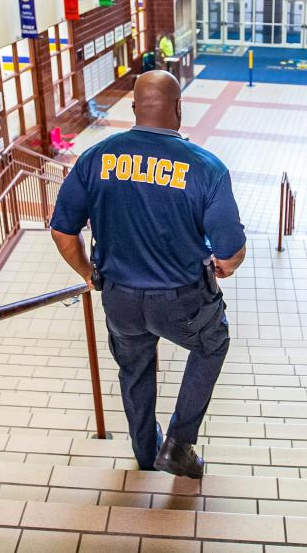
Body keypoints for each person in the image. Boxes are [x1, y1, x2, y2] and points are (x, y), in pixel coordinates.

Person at [49, 70, 246, 478]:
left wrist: (90, 273)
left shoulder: (93, 159)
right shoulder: (206, 168)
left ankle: (145, 452)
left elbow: (63, 231)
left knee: (134, 368)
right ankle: (178, 444)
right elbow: (230, 251)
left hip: (119, 296)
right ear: (179, 109)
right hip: (183, 300)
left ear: (134, 108)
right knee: (212, 344)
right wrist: (223, 266)